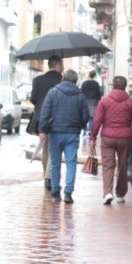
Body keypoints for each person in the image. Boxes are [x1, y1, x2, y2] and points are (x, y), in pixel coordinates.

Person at [38, 69, 90, 204]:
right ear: (76, 81)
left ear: (63, 79)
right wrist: (81, 125)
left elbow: (45, 112)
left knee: (55, 163)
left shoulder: (53, 92)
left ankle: (55, 192)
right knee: (71, 163)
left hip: (55, 133)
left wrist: (42, 129)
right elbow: (85, 116)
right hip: (72, 134)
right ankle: (68, 193)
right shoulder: (80, 95)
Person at [89, 75, 132, 204]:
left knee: (108, 165)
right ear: (125, 87)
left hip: (107, 137)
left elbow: (97, 121)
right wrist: (131, 131)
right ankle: (120, 194)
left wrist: (93, 137)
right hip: (124, 138)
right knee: (122, 165)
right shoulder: (130, 102)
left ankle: (107, 193)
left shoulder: (104, 101)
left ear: (112, 86)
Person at [28, 55, 63, 190]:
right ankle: (48, 177)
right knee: (53, 148)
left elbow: (33, 99)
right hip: (56, 117)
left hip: (40, 118)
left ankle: (46, 176)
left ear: (49, 65)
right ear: (58, 65)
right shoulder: (62, 80)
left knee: (45, 148)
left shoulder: (37, 80)